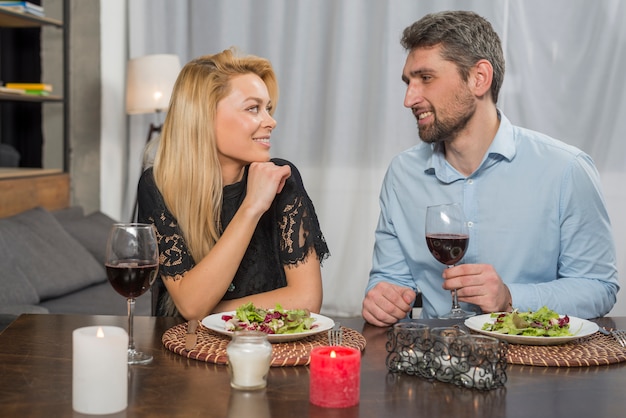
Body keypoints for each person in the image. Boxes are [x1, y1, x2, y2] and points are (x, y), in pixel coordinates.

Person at [362, 10, 619, 326]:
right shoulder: (403, 174)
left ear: (479, 78)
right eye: (408, 82)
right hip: (435, 361)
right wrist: (382, 298)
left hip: (532, 364)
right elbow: (389, 278)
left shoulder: (566, 170)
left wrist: (511, 297)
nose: (409, 98)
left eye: (425, 78)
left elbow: (598, 288)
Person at [137, 48, 329, 320]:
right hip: (188, 355)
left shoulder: (281, 177)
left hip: (264, 350)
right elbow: (191, 305)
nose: (271, 121)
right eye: (253, 108)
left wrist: (208, 312)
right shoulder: (158, 185)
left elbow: (307, 300)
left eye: (268, 109)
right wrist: (252, 207)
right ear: (203, 116)